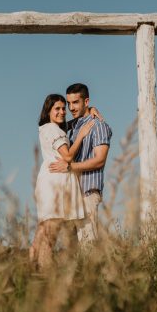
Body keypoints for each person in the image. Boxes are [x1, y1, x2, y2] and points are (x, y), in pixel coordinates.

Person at [30, 94, 95, 268]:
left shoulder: (54, 129)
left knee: (44, 230)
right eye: (56, 109)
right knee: (51, 230)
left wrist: (91, 110)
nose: (61, 112)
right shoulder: (51, 128)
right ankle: (45, 274)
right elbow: (67, 155)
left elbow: (76, 121)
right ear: (48, 111)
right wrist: (81, 135)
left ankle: (31, 269)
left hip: (55, 180)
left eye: (62, 109)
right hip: (54, 182)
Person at [50, 83, 112, 243]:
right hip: (71, 195)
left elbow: (100, 160)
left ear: (86, 101)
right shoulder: (74, 127)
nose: (71, 108)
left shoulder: (98, 126)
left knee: (88, 245)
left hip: (87, 192)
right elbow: (51, 123)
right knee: (70, 251)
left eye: (75, 102)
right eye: (69, 103)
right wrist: (91, 110)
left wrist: (69, 167)